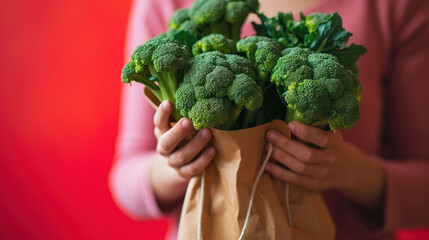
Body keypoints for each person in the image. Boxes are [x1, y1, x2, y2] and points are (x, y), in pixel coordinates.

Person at [109, 0, 429, 239]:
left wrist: (349, 171)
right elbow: (124, 179)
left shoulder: (395, 6)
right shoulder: (164, 4)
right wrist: (175, 166)